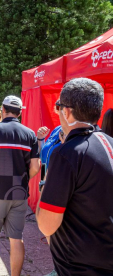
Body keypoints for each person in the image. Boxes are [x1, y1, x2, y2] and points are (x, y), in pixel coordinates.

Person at [36, 78, 113, 276]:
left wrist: (45, 184)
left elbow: (46, 224)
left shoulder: (67, 153)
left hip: (79, 266)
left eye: (58, 107)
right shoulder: (108, 142)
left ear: (67, 111)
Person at [0, 95, 40, 276]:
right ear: (19, 113)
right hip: (19, 192)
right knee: (16, 238)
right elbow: (35, 167)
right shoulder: (30, 134)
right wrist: (24, 178)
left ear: (3, 109)